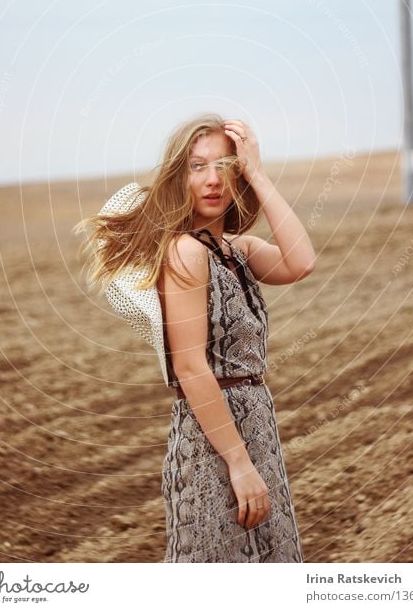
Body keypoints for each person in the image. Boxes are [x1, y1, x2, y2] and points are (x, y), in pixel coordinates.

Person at [75, 113, 316, 563]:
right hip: (214, 445)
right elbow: (190, 367)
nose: (212, 180)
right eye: (197, 166)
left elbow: (301, 262)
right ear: (177, 176)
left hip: (256, 429)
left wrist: (259, 173)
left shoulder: (236, 251)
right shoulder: (186, 252)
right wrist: (239, 465)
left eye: (226, 167)